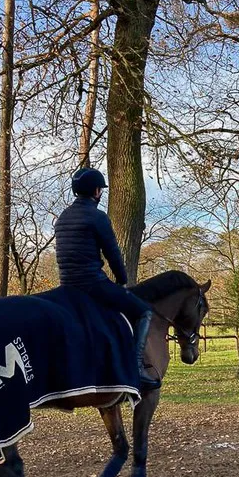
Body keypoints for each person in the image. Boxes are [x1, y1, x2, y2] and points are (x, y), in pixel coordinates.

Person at [55, 167, 160, 392]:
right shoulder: (97, 217)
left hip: (66, 285)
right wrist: (122, 280)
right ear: (96, 191)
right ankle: (136, 369)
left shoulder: (62, 217)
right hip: (92, 284)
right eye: (100, 189)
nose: (100, 193)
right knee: (144, 312)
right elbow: (113, 253)